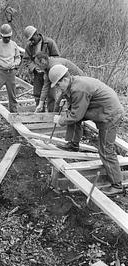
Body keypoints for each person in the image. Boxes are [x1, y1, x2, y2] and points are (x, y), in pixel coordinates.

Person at [49, 64, 124, 196]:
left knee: (106, 150)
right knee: (71, 114)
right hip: (99, 109)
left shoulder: (79, 89)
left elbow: (76, 115)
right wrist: (63, 101)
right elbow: (74, 107)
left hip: (110, 115)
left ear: (65, 80)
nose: (58, 88)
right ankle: (73, 144)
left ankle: (117, 185)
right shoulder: (73, 83)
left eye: (58, 85)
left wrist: (61, 120)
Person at [23, 26, 60, 111]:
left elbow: (56, 58)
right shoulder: (29, 46)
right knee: (37, 94)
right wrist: (34, 68)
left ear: (36, 34)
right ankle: (40, 114)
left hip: (49, 73)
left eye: (32, 39)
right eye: (30, 40)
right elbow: (26, 60)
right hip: (37, 74)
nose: (31, 41)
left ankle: (51, 114)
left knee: (51, 95)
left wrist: (47, 66)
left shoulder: (49, 43)